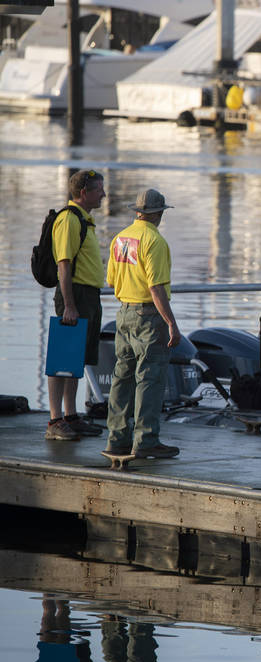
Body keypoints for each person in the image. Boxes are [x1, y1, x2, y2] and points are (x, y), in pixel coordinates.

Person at [104, 189, 181, 459]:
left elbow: (112, 281)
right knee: (149, 378)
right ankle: (146, 440)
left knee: (122, 377)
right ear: (158, 213)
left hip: (123, 313)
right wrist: (171, 322)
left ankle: (116, 439)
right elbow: (156, 287)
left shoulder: (120, 238)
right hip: (148, 316)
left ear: (137, 211)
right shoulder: (154, 241)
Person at [46, 170, 107, 442]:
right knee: (62, 358)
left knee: (77, 359)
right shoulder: (70, 220)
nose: (104, 195)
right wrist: (69, 305)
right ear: (84, 193)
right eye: (99, 190)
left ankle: (70, 416)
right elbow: (64, 264)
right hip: (75, 295)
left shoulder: (85, 220)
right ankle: (55, 419)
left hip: (88, 296)